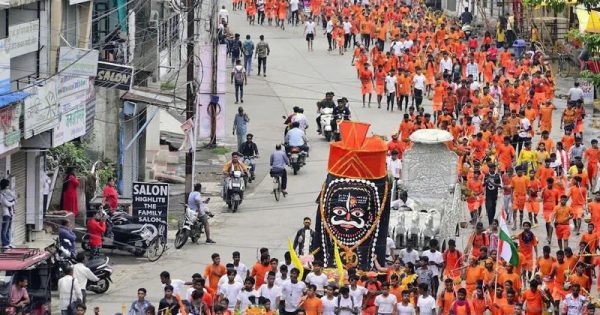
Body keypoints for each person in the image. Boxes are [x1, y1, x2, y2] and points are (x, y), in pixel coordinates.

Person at [0, 178, 14, 249]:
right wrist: (12, 202)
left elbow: (14, 199)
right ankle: (5, 244)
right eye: (7, 185)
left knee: (8, 229)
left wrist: (13, 201)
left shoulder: (7, 192)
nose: (8, 186)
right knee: (4, 230)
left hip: (10, 213)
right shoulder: (1, 194)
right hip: (5, 213)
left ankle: (8, 243)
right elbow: (5, 203)